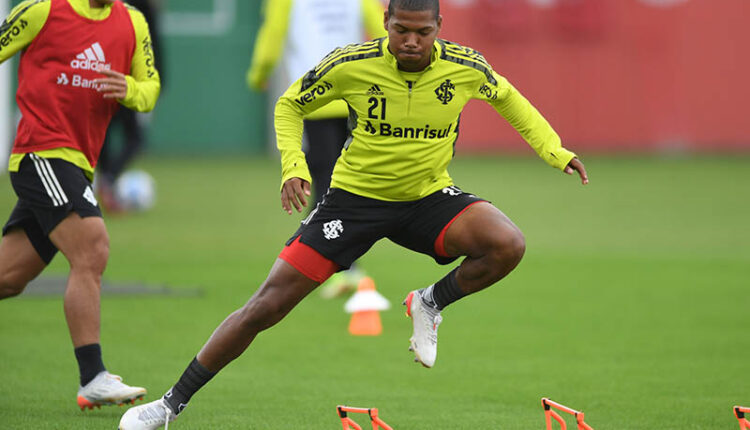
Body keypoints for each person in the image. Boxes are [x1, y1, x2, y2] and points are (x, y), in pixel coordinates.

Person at [119, 0, 588, 427]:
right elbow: (289, 104)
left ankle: (430, 302)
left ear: (439, 28)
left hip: (427, 198)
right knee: (266, 306)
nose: (410, 40)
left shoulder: (464, 67)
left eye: (422, 32)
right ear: (384, 21)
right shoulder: (352, 63)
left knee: (508, 244)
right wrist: (292, 166)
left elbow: (509, 99)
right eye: (401, 29)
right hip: (353, 203)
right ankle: (168, 405)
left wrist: (555, 151)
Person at [0, 0, 160, 410]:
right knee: (92, 244)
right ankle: (93, 377)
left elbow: (150, 89)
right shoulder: (41, 11)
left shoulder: (132, 21)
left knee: (9, 278)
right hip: (41, 153)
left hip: (79, 164)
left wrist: (130, 89)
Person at [246, 0, 387, 296]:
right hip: (354, 95)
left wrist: (259, 73)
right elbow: (381, 25)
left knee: (327, 183)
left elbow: (273, 34)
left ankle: (330, 266)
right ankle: (341, 264)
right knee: (342, 180)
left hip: (316, 96)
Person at [97, 0, 165, 212]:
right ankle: (106, 181)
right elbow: (155, 50)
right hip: (124, 82)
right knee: (132, 138)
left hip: (120, 83)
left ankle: (105, 181)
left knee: (113, 135)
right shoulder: (134, 13)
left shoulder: (132, 13)